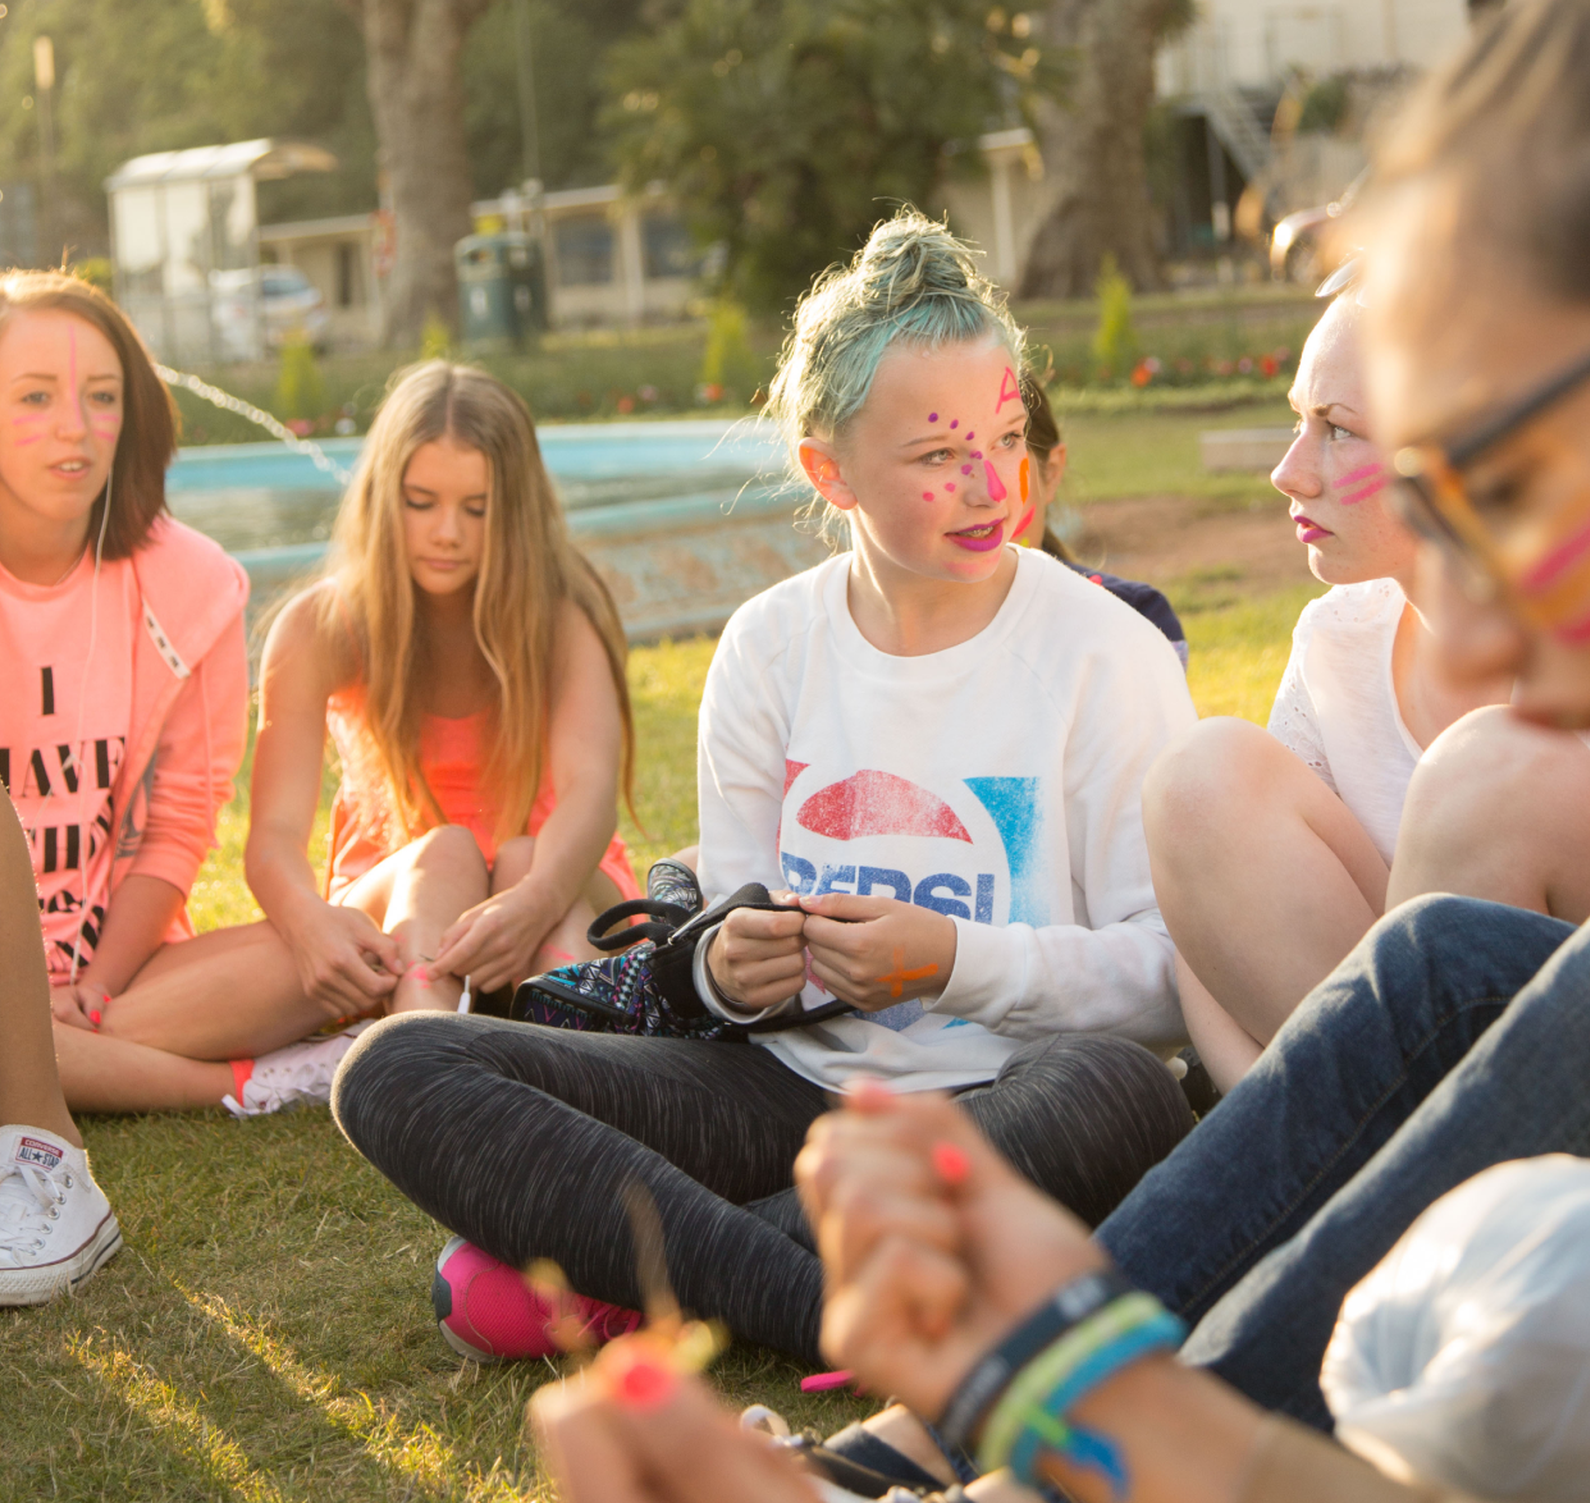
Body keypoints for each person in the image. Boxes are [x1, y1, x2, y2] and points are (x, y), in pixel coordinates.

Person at [527, 0, 1590, 1503]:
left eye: (1527, 490)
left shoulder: (1092, 651)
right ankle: (920, 1461)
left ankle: (1019, 1459)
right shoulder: (790, 646)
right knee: (1454, 968)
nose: (1501, 648)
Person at [332, 214, 1196, 1369]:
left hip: (1000, 1100)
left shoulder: (1104, 652)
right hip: (783, 1093)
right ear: (828, 470)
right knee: (397, 1066)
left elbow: (1165, 980)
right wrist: (719, 968)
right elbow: (730, 932)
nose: (993, 483)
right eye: (937, 456)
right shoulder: (769, 645)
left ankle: (655, 1272)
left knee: (1120, 1094)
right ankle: (810, 1302)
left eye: (1005, 437)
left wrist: (950, 960)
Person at [1145, 273, 1590, 1086]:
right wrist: (1266, 1116)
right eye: (1298, 419)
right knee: (1200, 776)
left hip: (1583, 1078)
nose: (1289, 471)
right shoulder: (1338, 638)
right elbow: (1217, 928)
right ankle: (1362, 1149)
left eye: (1338, 429)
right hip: (1365, 1096)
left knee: (1492, 770)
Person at [0, 271, 347, 1124]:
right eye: (36, 395)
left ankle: (39, 1061)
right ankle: (247, 1083)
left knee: (323, 950)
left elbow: (179, 820)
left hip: (131, 976)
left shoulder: (192, 584)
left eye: (101, 396)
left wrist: (95, 987)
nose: (75, 426)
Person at [243, 358, 637, 1037]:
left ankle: (573, 1075)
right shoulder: (321, 626)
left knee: (525, 859)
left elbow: (591, 791)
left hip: (558, 885)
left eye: (477, 509)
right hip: (398, 904)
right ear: (380, 498)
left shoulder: (562, 614)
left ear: (516, 512)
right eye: (420, 502)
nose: (447, 531)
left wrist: (535, 900)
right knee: (443, 856)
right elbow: (274, 835)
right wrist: (309, 922)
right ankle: (426, 1071)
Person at [1015, 372, 1187, 664]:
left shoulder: (1134, 618)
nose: (981, 493)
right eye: (939, 455)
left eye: (1007, 443)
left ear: (1051, 472)